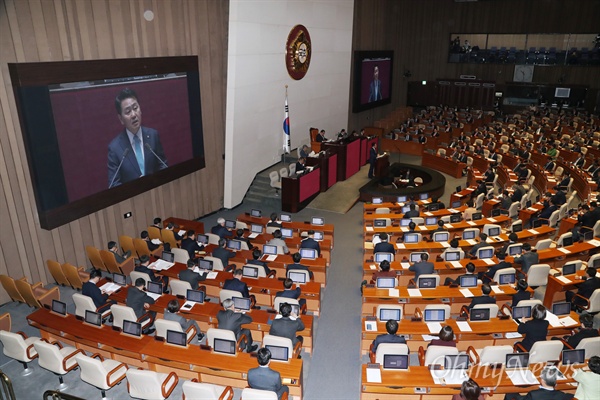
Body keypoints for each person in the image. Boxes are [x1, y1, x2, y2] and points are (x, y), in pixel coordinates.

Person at [107, 88, 167, 187]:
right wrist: (134, 188)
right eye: (128, 112)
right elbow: (113, 185)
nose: (134, 115)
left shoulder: (153, 136)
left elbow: (163, 166)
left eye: (135, 108)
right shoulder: (115, 149)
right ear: (121, 119)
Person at [504, 366, 574, 400]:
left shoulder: (533, 394)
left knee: (510, 393)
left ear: (542, 380)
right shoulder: (561, 395)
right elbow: (572, 396)